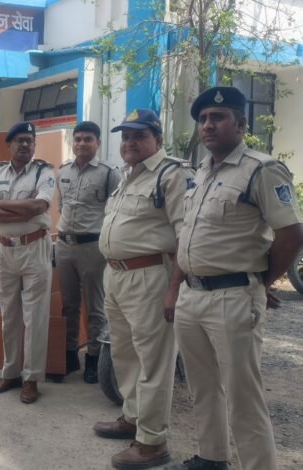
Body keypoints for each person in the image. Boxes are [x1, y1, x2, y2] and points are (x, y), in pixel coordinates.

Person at [166, 87, 303, 470]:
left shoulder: (261, 169)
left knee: (243, 396)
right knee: (202, 386)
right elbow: (188, 236)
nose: (208, 125)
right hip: (192, 295)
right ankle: (212, 457)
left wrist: (261, 280)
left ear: (241, 124)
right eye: (203, 119)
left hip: (233, 297)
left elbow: (291, 233)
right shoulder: (201, 171)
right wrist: (174, 289)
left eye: (218, 117)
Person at [93, 109, 191, 469]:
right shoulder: (127, 176)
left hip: (150, 276)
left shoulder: (172, 174)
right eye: (126, 137)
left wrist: (174, 289)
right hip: (116, 276)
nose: (130, 142)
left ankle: (152, 442)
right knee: (125, 354)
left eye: (139, 136)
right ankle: (133, 418)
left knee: (154, 361)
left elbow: (185, 237)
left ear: (158, 139)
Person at [0, 121, 54, 404]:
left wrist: (0, 205)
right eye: (20, 140)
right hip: (3, 249)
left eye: (29, 141)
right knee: (8, 313)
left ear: (34, 146)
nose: (25, 145)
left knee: (35, 317)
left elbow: (39, 206)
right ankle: (10, 373)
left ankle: (31, 378)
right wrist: (21, 210)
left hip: (35, 248)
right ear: (9, 145)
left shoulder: (44, 172)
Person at [56, 121, 120, 383]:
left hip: (93, 247)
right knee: (68, 305)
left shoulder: (109, 173)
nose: (81, 143)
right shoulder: (63, 171)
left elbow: (116, 211)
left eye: (88, 139)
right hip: (64, 245)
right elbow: (61, 206)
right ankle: (70, 355)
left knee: (95, 307)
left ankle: (93, 359)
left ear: (98, 143)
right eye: (78, 139)